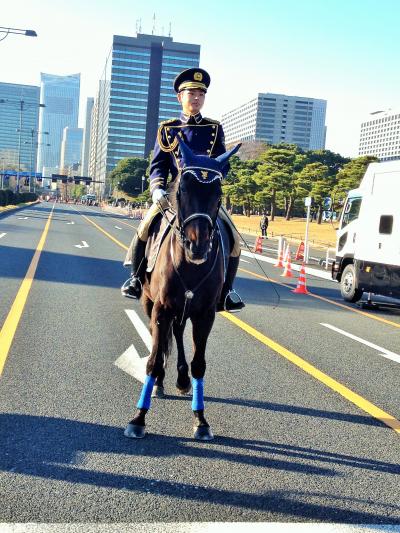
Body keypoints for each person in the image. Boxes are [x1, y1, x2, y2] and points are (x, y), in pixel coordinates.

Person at [121, 67, 244, 312]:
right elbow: (157, 166)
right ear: (180, 97)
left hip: (203, 195)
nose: (196, 98)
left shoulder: (214, 128)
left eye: (201, 93)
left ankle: (227, 291)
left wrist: (213, 180)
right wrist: (157, 189)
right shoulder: (168, 129)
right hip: (174, 197)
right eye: (191, 93)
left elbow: (223, 163)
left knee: (234, 240)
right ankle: (136, 279)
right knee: (144, 229)